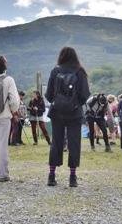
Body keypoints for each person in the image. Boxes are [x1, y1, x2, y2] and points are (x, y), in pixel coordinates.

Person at [45, 47, 90, 188]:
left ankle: (51, 176)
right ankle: (72, 177)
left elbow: (48, 94)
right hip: (75, 113)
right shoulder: (80, 71)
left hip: (57, 112)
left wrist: (58, 102)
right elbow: (85, 94)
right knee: (74, 143)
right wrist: (75, 104)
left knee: (56, 143)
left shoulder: (55, 70)